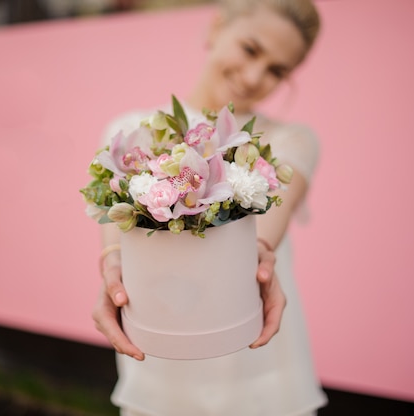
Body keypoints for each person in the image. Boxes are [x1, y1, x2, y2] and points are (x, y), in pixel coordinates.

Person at [93, 0, 327, 414]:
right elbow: (116, 240)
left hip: (258, 361)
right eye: (251, 49)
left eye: (277, 70)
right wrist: (112, 269)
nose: (255, 76)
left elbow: (271, 219)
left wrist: (261, 254)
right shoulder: (130, 134)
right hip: (162, 356)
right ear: (216, 28)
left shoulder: (290, 141)